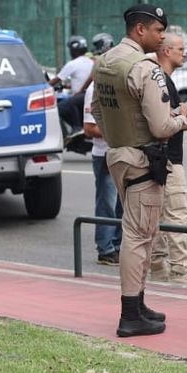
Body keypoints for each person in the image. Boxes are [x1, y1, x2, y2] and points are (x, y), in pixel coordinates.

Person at [92, 4, 187, 338]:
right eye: (159, 31)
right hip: (143, 160)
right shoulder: (145, 68)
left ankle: (139, 304)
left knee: (139, 233)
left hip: (119, 156)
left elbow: (95, 109)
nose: (162, 38)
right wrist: (184, 116)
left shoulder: (105, 61)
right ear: (140, 30)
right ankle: (131, 313)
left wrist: (118, 138)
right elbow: (161, 126)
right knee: (138, 237)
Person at [149, 34, 187, 288]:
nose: (185, 53)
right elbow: (164, 122)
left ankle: (158, 268)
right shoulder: (162, 81)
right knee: (176, 215)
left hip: (158, 157)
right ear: (166, 51)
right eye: (181, 49)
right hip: (169, 158)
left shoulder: (156, 77)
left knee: (157, 217)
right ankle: (179, 271)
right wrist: (185, 117)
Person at [83, 81, 122, 265]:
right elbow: (89, 129)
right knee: (107, 203)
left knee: (122, 204)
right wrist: (121, 133)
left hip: (124, 153)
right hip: (105, 154)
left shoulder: (123, 81)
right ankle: (105, 249)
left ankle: (118, 245)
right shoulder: (96, 87)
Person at [53, 35, 94, 130]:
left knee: (60, 108)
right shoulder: (90, 61)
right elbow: (83, 78)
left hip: (83, 95)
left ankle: (77, 128)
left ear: (73, 50)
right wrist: (67, 86)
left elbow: (56, 80)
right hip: (90, 95)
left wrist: (44, 85)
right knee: (73, 102)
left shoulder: (72, 64)